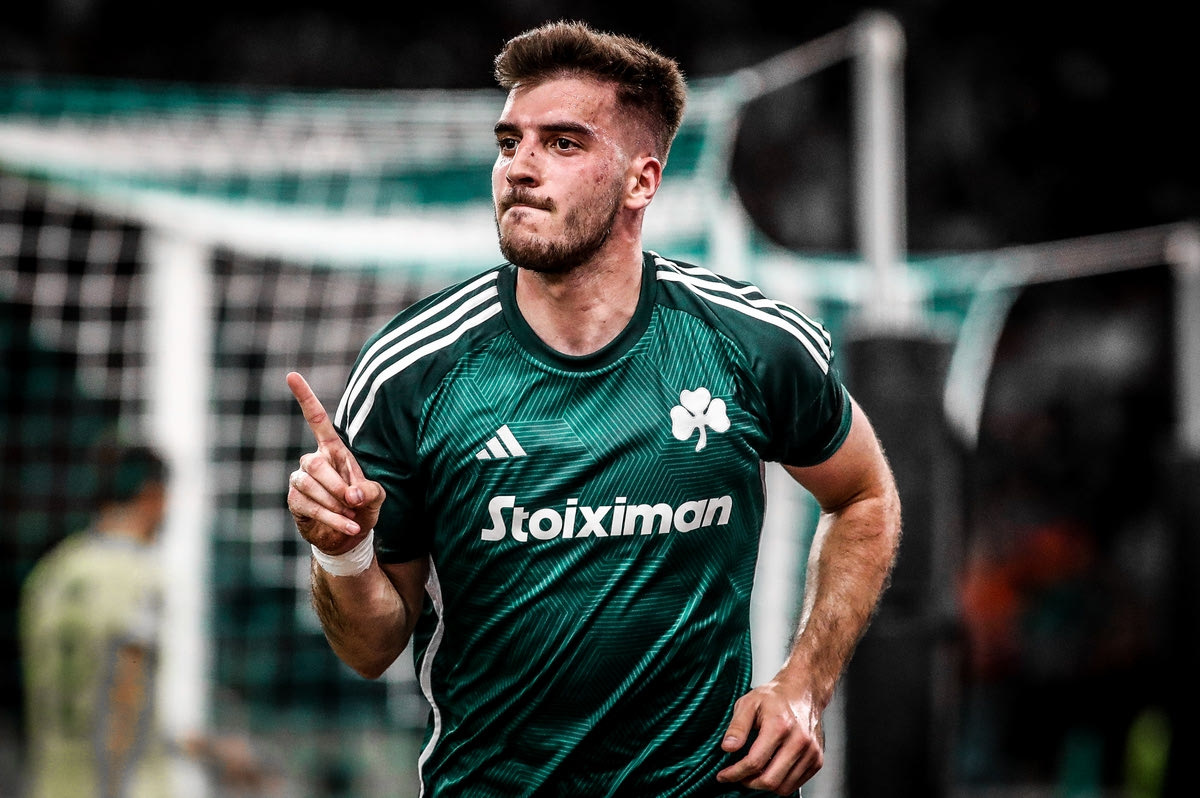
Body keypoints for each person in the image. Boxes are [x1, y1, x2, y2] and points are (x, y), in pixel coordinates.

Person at [286, 19, 901, 797]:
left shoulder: (750, 343)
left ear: (642, 181)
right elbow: (370, 648)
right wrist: (342, 553)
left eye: (562, 143)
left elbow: (866, 496)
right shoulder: (412, 370)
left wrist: (804, 686)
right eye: (510, 142)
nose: (520, 167)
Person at [19, 433, 269, 798]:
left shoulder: (51, 575)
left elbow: (89, 701)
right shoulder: (139, 576)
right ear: (153, 496)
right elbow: (125, 693)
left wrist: (206, 749)